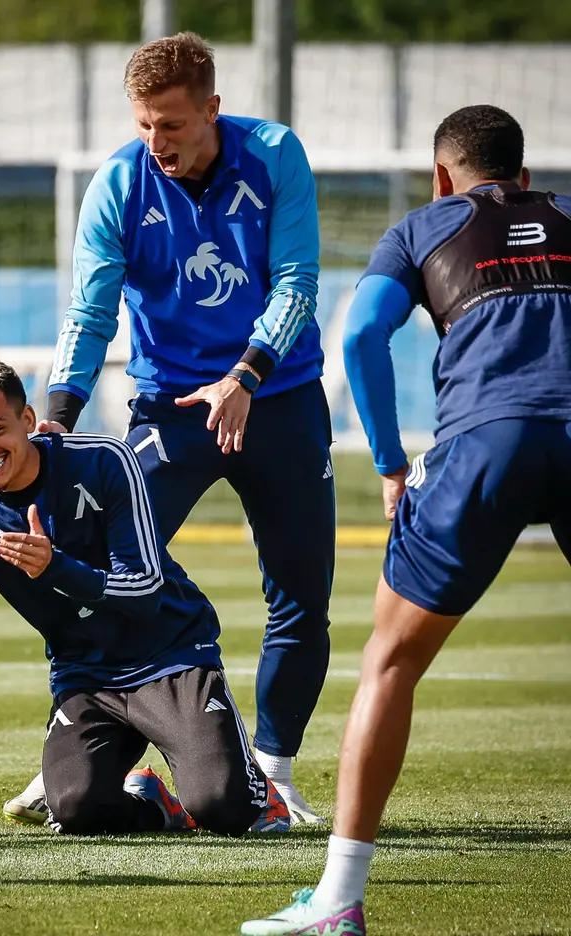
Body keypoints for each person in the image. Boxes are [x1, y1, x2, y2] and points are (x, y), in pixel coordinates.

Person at [240, 104, 571, 934]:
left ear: (441, 177)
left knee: (390, 662)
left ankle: (337, 901)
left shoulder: (423, 228)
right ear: (527, 176)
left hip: (485, 443)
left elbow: (361, 338)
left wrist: (391, 463)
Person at [4, 30, 335, 827]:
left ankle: (272, 775)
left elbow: (297, 281)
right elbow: (91, 313)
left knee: (300, 593)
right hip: (170, 410)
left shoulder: (275, 155)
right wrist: (58, 421)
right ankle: (79, 755)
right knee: (97, 567)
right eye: (145, 124)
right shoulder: (119, 183)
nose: (157, 141)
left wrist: (245, 375)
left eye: (174, 124)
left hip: (278, 397)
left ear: (213, 109)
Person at [0, 357, 291, 837]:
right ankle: (156, 807)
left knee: (222, 807)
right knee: (75, 810)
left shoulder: (104, 461)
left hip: (170, 657)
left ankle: (256, 795)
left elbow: (144, 591)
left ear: (28, 420)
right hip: (85, 676)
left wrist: (57, 568)